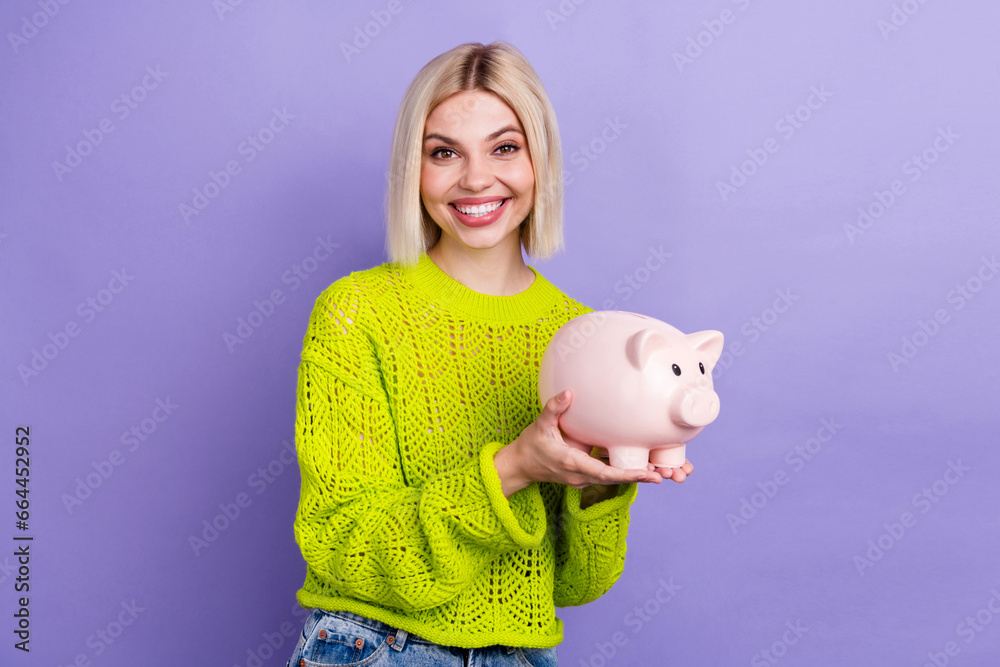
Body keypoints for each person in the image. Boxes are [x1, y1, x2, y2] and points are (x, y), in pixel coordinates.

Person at [286, 41, 694, 667]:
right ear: (412, 170)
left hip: (519, 655)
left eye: (505, 147)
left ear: (541, 163)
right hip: (377, 648)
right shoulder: (357, 312)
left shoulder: (580, 334)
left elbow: (577, 585)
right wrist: (514, 467)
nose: (476, 179)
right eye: (443, 152)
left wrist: (601, 485)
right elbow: (344, 548)